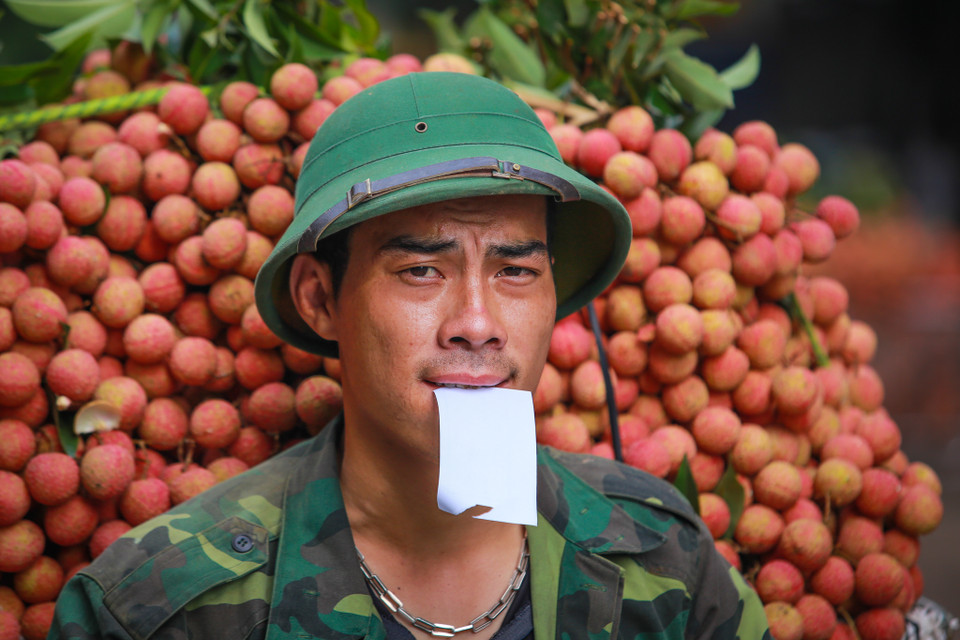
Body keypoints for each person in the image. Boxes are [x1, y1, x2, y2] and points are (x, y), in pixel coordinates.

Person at [48, 72, 771, 640]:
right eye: (422, 270)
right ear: (320, 300)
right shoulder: (160, 611)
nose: (478, 323)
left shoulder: (661, 557)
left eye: (516, 270)